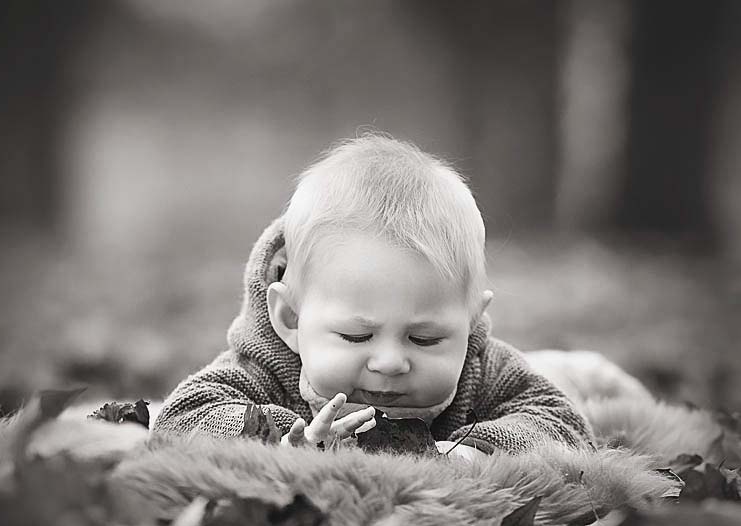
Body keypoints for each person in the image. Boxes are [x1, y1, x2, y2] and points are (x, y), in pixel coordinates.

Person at [153, 134, 594, 460]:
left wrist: (477, 452)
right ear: (291, 319)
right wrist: (286, 437)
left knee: (585, 382)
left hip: (550, 379)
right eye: (356, 336)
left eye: (424, 339)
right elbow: (182, 419)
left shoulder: (486, 372)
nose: (390, 363)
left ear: (471, 322)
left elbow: (564, 425)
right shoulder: (267, 370)